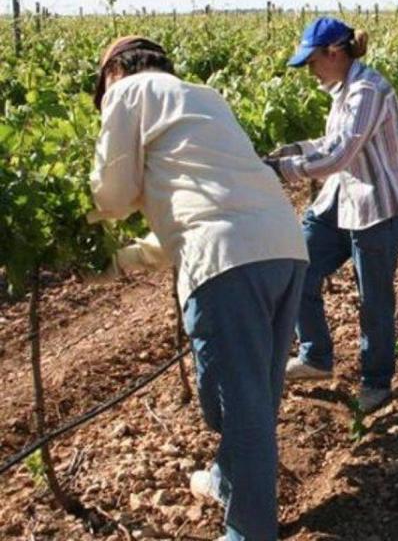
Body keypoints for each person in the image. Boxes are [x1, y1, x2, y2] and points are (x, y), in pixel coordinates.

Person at [90, 36, 309, 541]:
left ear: (115, 73)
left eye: (101, 92)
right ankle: (228, 481)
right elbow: (194, 210)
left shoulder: (127, 93)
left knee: (237, 407)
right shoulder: (203, 97)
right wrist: (125, 260)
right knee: (256, 397)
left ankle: (250, 532)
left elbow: (113, 196)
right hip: (283, 248)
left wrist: (73, 232)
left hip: (227, 264)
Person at [263, 17, 398, 413]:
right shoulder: (343, 90)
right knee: (296, 268)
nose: (309, 72)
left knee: (373, 300)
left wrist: (282, 172)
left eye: (312, 62)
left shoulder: (367, 90)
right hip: (339, 201)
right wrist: (290, 150)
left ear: (334, 52)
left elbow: (339, 154)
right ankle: (316, 357)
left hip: (377, 208)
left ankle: (376, 382)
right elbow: (330, 142)